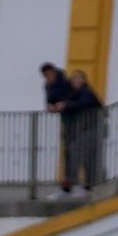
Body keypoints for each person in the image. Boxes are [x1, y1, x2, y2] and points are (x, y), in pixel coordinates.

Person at [60, 70, 105, 195]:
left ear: (84, 81)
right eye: (73, 79)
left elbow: (83, 104)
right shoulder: (72, 94)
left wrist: (66, 105)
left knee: (87, 157)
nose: (75, 81)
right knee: (75, 157)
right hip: (78, 131)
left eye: (78, 78)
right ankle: (72, 186)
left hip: (89, 130)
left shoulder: (86, 92)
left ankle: (89, 185)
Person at [41, 63, 74, 198]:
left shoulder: (65, 82)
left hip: (74, 118)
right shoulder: (48, 85)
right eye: (47, 75)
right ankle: (67, 185)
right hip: (66, 120)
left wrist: (64, 104)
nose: (49, 77)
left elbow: (72, 97)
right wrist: (50, 106)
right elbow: (49, 99)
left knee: (77, 152)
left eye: (50, 74)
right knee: (67, 152)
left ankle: (77, 185)